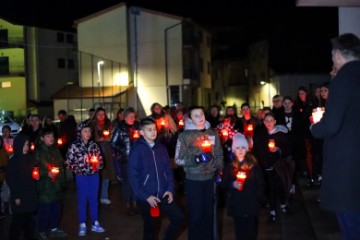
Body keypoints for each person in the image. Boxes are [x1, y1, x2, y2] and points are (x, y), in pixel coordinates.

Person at [310, 33, 360, 240]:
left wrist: (315, 127)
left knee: (350, 223)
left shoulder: (343, 79)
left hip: (347, 166)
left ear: (338, 55)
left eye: (333, 56)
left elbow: (331, 125)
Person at [128, 117, 184, 240]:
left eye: (154, 129)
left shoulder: (161, 148)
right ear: (142, 132)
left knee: (179, 218)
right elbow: (133, 176)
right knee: (151, 228)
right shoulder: (137, 150)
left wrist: (170, 189)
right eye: (149, 130)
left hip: (163, 193)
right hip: (148, 197)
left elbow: (168, 170)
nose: (153, 132)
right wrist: (145, 196)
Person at [174, 106, 224, 240]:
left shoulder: (212, 133)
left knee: (209, 216)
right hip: (194, 181)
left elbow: (219, 153)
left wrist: (219, 170)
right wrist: (197, 159)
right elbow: (178, 159)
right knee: (196, 216)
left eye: (201, 114)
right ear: (190, 119)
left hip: (210, 180)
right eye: (196, 115)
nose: (200, 117)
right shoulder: (184, 136)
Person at [221, 133, 265, 240]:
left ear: (247, 149)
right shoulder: (230, 166)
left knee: (251, 229)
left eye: (243, 147)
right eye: (237, 148)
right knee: (239, 229)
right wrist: (232, 184)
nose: (240, 150)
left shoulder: (253, 165)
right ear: (234, 150)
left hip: (250, 202)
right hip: (237, 203)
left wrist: (259, 198)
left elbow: (260, 182)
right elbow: (223, 183)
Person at [65, 121, 105, 237]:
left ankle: (95, 222)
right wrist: (78, 169)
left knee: (94, 199)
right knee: (82, 199)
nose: (88, 134)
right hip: (81, 176)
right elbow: (68, 162)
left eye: (89, 131)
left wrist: (99, 165)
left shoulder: (94, 145)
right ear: (80, 132)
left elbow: (101, 160)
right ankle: (82, 223)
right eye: (85, 131)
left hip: (94, 175)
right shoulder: (74, 146)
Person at [32, 127, 67, 240]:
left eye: (52, 136)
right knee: (45, 210)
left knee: (56, 209)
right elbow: (34, 169)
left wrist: (61, 180)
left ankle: (54, 228)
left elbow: (61, 165)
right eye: (48, 136)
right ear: (42, 138)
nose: (51, 138)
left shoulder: (55, 149)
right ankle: (42, 230)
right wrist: (46, 173)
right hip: (44, 187)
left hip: (56, 185)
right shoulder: (38, 152)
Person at [6, 135, 37, 240]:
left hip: (29, 195)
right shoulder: (13, 162)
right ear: (18, 145)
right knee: (18, 220)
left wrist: (36, 176)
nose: (26, 147)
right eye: (24, 145)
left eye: (27, 145)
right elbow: (12, 181)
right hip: (19, 195)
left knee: (29, 220)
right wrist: (16, 196)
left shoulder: (28, 158)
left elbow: (31, 174)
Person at [111, 107, 140, 216]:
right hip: (126, 159)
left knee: (136, 181)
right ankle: (128, 205)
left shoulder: (137, 126)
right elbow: (113, 143)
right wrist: (124, 150)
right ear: (125, 117)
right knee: (127, 182)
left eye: (134, 116)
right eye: (130, 117)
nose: (133, 118)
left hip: (137, 159)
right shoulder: (120, 128)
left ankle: (135, 203)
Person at [91, 107, 116, 204]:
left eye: (103, 114)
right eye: (99, 114)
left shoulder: (109, 124)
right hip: (96, 151)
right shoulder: (92, 125)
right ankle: (95, 196)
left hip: (107, 151)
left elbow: (113, 136)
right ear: (96, 115)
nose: (101, 116)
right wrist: (98, 140)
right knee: (97, 174)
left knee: (106, 173)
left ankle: (104, 196)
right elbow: (89, 137)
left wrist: (109, 137)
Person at [0, 136, 9, 218]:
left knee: (3, 194)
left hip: (2, 177)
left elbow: (6, 163)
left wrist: (3, 168)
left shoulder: (3, 151)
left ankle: (3, 210)